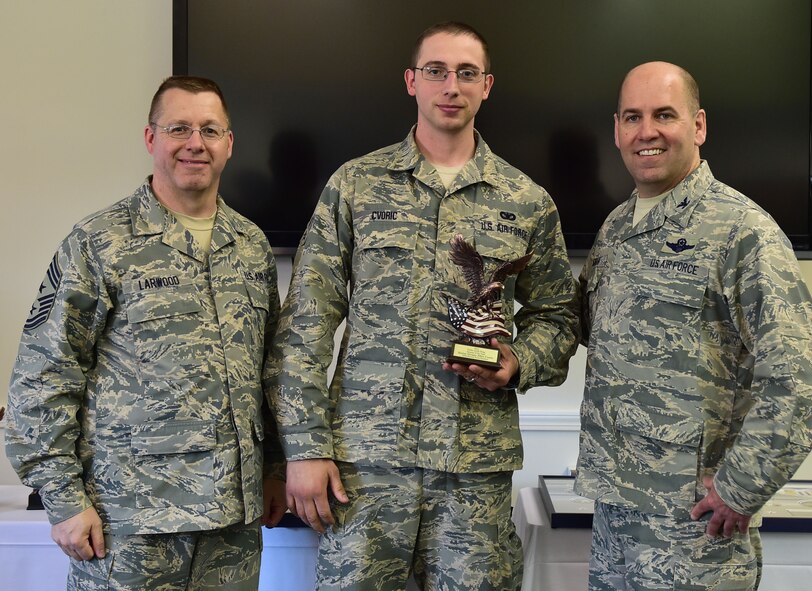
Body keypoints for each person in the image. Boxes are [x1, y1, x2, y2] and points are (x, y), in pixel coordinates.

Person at [269, 21, 580, 591]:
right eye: (436, 71)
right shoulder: (357, 186)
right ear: (411, 81)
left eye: (466, 73)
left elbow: (559, 317)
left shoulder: (527, 201)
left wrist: (519, 362)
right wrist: (306, 446)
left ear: (487, 86)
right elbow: (306, 324)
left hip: (473, 469)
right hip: (365, 465)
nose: (451, 86)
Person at [5, 75, 286, 590]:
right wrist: (64, 500)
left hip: (233, 526)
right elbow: (43, 377)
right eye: (178, 128)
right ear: (150, 138)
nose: (194, 143)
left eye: (209, 129)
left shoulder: (250, 246)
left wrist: (275, 470)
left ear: (229, 143)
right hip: (130, 525)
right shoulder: (100, 243)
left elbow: (268, 372)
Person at [576, 61, 812, 590]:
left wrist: (740, 488)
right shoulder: (617, 228)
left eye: (664, 114)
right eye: (632, 117)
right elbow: (585, 331)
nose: (647, 132)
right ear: (617, 129)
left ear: (699, 126)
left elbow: (800, 379)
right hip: (615, 524)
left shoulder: (743, 232)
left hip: (694, 537)